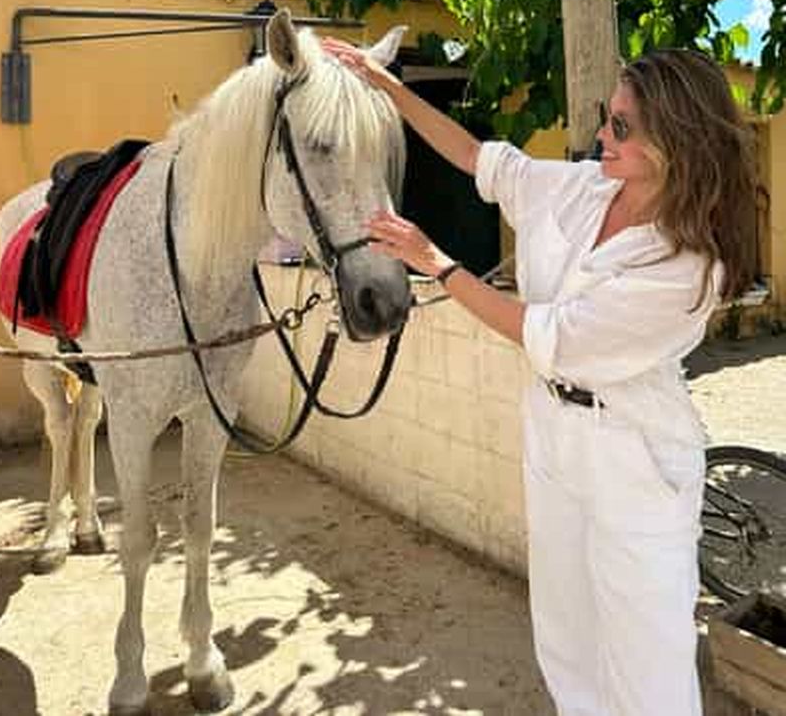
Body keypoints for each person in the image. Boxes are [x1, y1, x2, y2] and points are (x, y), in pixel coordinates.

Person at [323, 37, 756, 716]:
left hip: (633, 454)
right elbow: (479, 159)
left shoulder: (686, 266)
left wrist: (435, 263)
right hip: (554, 429)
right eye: (605, 116)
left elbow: (549, 334)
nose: (602, 136)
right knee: (566, 634)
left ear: (676, 142)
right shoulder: (586, 189)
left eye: (621, 126)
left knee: (647, 653)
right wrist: (386, 86)